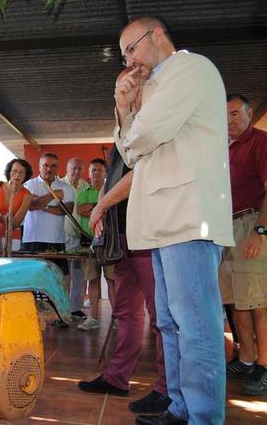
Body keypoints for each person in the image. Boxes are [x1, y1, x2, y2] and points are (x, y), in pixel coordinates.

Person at [114, 16, 234, 425]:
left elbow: (142, 137)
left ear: (158, 35)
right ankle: (181, 407)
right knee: (169, 322)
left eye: (132, 47)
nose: (128, 60)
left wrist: (131, 113)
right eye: (123, 54)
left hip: (189, 217)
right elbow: (130, 155)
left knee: (196, 326)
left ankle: (203, 418)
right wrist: (123, 107)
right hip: (164, 222)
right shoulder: (153, 89)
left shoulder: (189, 68)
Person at [80, 146, 169, 414]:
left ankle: (167, 389)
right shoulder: (120, 146)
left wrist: (100, 207)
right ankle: (116, 378)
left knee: (161, 317)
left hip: (146, 239)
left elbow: (139, 178)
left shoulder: (147, 136)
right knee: (126, 313)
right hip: (121, 241)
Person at [218, 93, 267, 396]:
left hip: (250, 223)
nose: (229, 121)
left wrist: (259, 229)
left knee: (256, 299)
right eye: (224, 115)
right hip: (226, 228)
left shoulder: (262, 141)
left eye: (234, 114)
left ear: (248, 112)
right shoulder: (225, 148)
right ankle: (245, 359)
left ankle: (265, 367)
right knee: (235, 299)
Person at [76, 158, 115, 331]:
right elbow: (80, 209)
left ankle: (117, 318)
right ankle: (93, 317)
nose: (96, 173)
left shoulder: (112, 191)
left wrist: (94, 208)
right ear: (89, 173)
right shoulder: (83, 192)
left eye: (99, 170)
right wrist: (100, 206)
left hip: (108, 243)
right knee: (92, 280)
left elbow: (108, 211)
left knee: (112, 280)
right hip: (87, 242)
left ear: (105, 172)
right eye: (93, 170)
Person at [21, 153, 74, 261]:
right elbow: (29, 206)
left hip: (56, 240)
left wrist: (41, 204)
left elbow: (67, 210)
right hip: (32, 239)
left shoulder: (66, 188)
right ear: (39, 167)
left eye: (53, 166)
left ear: (57, 168)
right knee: (32, 276)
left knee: (60, 275)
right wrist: (53, 195)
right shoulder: (29, 185)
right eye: (45, 165)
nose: (49, 169)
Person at [62, 157, 90, 320]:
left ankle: (76, 307)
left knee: (79, 274)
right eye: (73, 168)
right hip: (62, 235)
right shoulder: (59, 185)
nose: (76, 172)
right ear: (67, 168)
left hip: (80, 236)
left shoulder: (86, 187)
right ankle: (62, 306)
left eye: (80, 169)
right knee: (64, 274)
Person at [0, 158, 33, 252]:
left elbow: (15, 224)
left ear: (26, 175)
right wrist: (4, 218)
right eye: (14, 171)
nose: (17, 175)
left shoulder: (27, 195)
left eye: (21, 172)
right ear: (9, 172)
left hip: (13, 238)